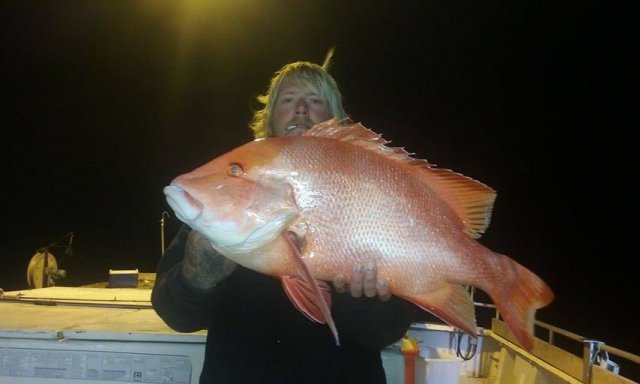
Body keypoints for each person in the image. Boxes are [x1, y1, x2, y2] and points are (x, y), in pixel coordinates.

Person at [152, 50, 417, 384]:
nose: (301, 109)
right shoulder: (231, 192)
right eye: (288, 99)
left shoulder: (369, 189)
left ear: (335, 117)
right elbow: (177, 316)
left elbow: (384, 332)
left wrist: (358, 300)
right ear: (270, 117)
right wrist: (194, 278)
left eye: (314, 100)